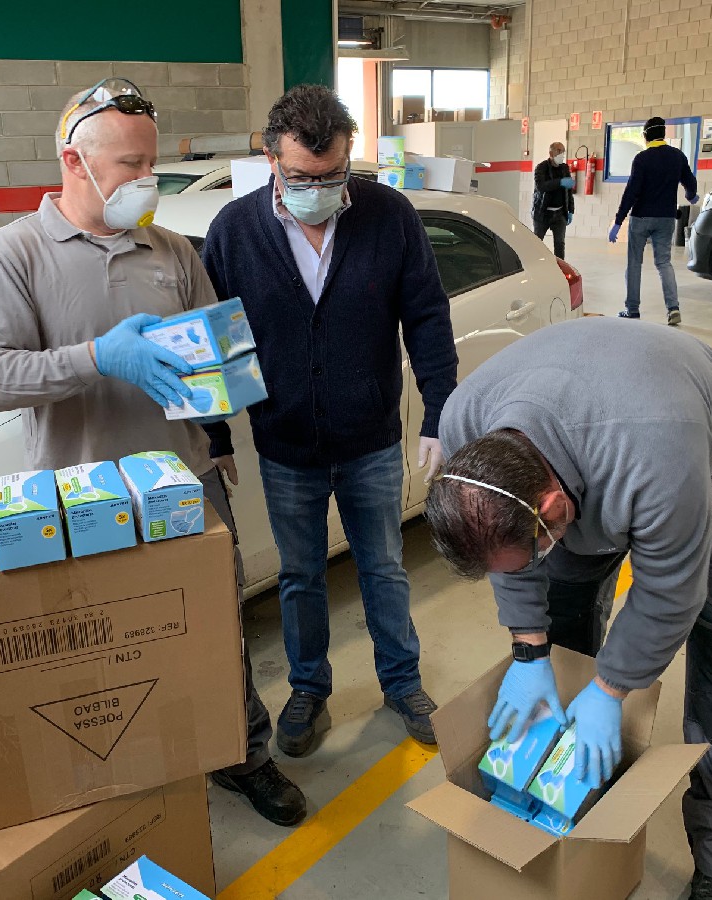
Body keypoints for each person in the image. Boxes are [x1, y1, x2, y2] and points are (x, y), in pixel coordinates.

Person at [0, 79, 306, 828]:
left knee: (214, 627)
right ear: (73, 162)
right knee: (103, 646)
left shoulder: (172, 250)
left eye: (151, 163)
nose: (147, 179)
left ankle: (242, 754)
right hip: (81, 494)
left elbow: (215, 360)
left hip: (185, 483)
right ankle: (123, 773)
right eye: (130, 165)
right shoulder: (13, 253)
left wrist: (225, 391)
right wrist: (96, 358)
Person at [425, 317, 712, 900]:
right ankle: (570, 790)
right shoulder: (467, 422)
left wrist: (611, 690)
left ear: (553, 508)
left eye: (538, 544)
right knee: (564, 629)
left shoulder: (660, 454)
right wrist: (529, 651)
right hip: (597, 441)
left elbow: (671, 592)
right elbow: (508, 559)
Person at [202, 84, 458, 761]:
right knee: (300, 576)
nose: (319, 190)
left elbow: (427, 317)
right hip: (286, 444)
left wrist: (439, 412)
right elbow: (212, 341)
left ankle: (402, 683)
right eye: (302, 177)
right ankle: (308, 689)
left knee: (383, 567)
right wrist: (215, 434)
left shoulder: (388, 216)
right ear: (271, 160)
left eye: (333, 175)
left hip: (370, 439)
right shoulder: (234, 231)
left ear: (349, 157)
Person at [608, 116, 699, 326]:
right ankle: (673, 308)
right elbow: (690, 182)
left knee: (634, 263)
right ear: (663, 134)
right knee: (664, 263)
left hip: (641, 217)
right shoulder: (677, 156)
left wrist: (618, 221)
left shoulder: (642, 159)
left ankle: (632, 310)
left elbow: (631, 192)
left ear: (646, 135)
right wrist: (691, 195)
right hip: (666, 218)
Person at [532, 142, 575, 260]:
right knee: (537, 242)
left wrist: (571, 210)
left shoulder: (564, 168)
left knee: (560, 244)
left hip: (560, 213)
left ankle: (560, 268)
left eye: (563, 151)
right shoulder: (541, 168)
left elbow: (569, 192)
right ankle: (534, 264)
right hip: (542, 213)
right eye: (559, 151)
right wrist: (560, 182)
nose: (562, 154)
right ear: (551, 153)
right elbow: (541, 186)